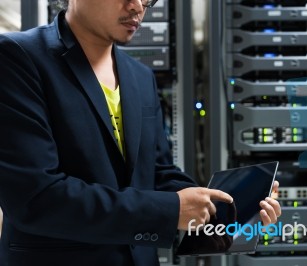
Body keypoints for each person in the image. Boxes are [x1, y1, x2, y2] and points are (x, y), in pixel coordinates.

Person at [0, 0, 281, 265]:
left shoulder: (139, 76)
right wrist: (171, 210)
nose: (137, 7)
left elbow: (157, 173)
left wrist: (232, 207)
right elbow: (36, 197)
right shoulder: (19, 57)